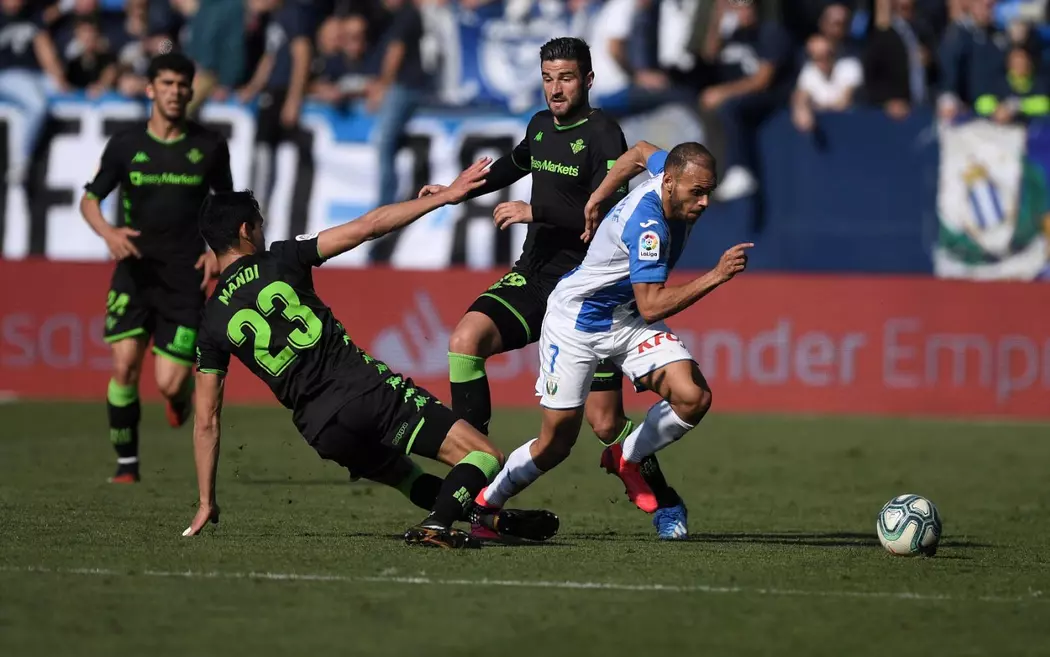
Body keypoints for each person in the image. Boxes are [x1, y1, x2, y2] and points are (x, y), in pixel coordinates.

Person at [184, 162, 559, 550]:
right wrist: (446, 197)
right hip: (365, 392)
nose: (263, 233)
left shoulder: (211, 320)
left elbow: (207, 420)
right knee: (484, 454)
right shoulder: (282, 258)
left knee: (405, 476)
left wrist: (206, 500)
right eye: (260, 225)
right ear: (246, 230)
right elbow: (368, 227)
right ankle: (438, 523)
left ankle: (483, 518)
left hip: (322, 430)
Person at [418, 37, 682, 536]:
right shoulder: (540, 126)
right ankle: (473, 466)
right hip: (535, 275)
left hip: (586, 294)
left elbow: (606, 210)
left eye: (565, 78)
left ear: (587, 80)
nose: (555, 89)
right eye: (547, 78)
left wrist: (534, 210)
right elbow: (513, 165)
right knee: (465, 340)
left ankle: (664, 499)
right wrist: (455, 190)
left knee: (605, 425)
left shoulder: (604, 133)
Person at [477, 140, 753, 540]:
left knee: (693, 397)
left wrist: (598, 197)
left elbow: (640, 152)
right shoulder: (648, 227)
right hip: (578, 324)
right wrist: (717, 275)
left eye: (709, 191)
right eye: (697, 192)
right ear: (670, 183)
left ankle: (627, 458)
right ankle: (486, 503)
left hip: (625, 318)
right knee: (556, 444)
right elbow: (653, 306)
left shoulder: (669, 171)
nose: (705, 202)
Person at [80, 53, 233, 484]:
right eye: (166, 83)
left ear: (191, 91)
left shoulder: (209, 145)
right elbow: (89, 200)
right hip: (134, 272)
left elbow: (227, 206)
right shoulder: (126, 145)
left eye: (182, 85)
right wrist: (109, 233)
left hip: (185, 279)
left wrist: (218, 252)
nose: (174, 92)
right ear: (150, 89)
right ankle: (127, 465)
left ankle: (177, 399)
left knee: (169, 383)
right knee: (124, 366)